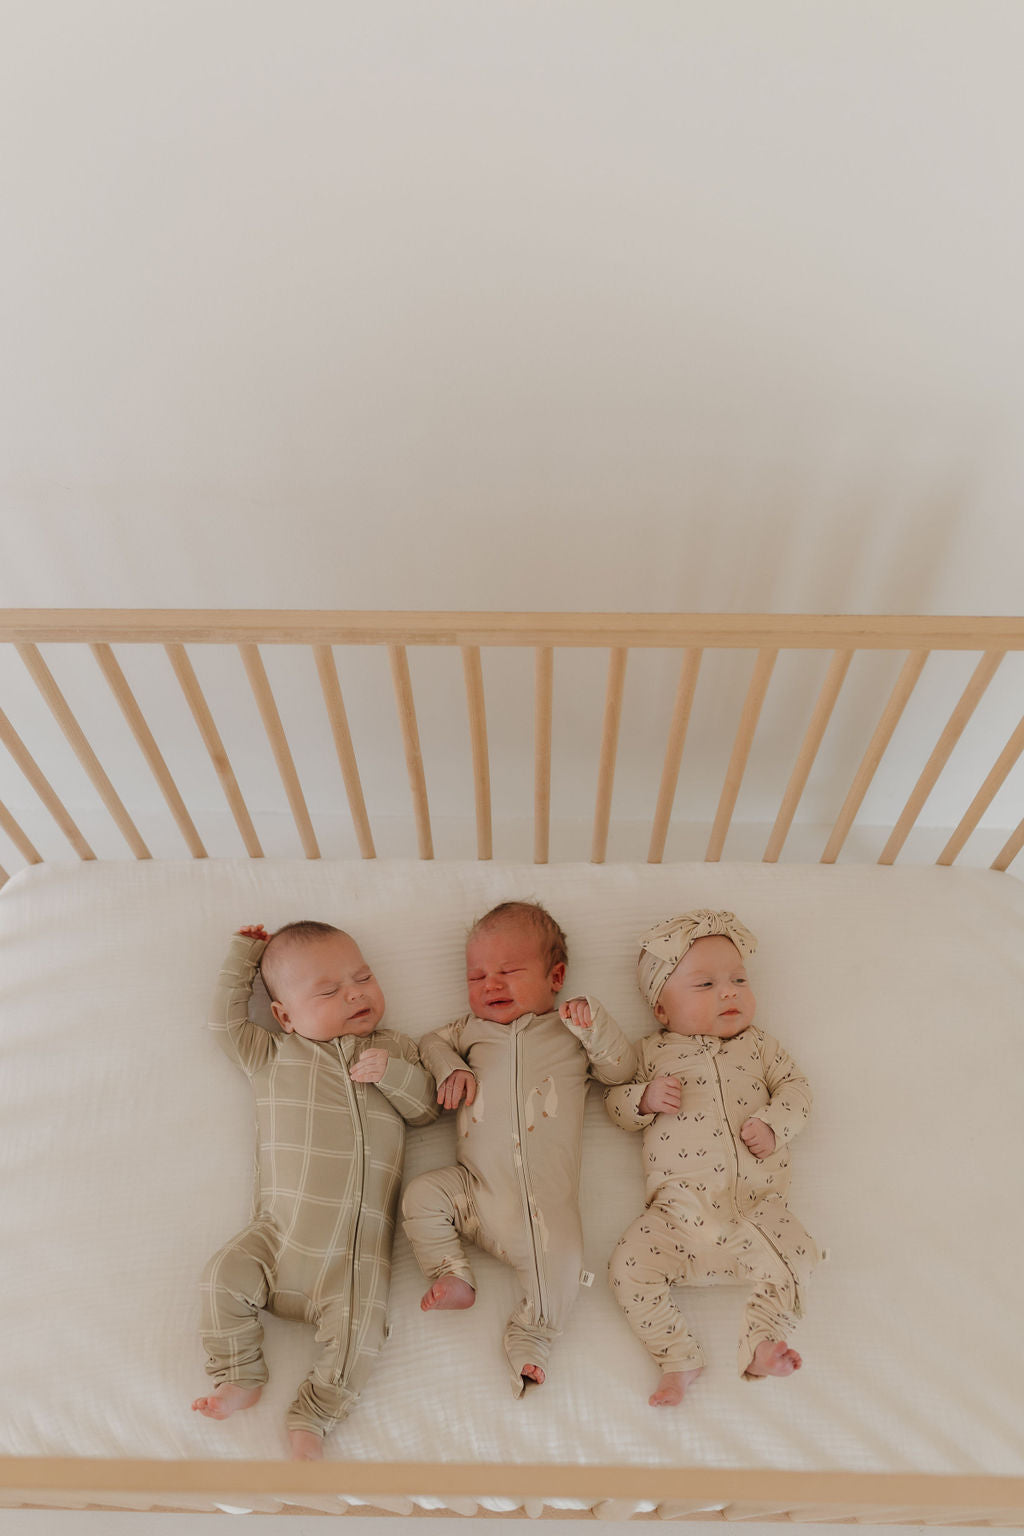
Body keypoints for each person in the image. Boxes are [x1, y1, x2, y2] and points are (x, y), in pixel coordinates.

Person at [191, 921, 437, 1459]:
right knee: (220, 1279)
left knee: (360, 1338)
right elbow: (223, 1023)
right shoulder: (273, 1054)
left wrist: (393, 1074)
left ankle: (316, 1414)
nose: (355, 993)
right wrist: (245, 954)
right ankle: (240, 1373)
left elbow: (426, 1110)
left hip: (354, 1257)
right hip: (276, 1239)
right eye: (328, 991)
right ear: (285, 1016)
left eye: (363, 978)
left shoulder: (396, 1047)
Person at [401, 900, 637, 1394]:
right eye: (477, 976)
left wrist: (596, 1027)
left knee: (567, 1266)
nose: (490, 984)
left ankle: (531, 1337)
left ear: (556, 977)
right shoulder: (467, 1032)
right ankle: (452, 1274)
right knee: (422, 1194)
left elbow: (620, 1072)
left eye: (508, 971)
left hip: (545, 1212)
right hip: (474, 1191)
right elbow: (428, 1043)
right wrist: (453, 1069)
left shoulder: (571, 1032)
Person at [606, 909, 821, 1406]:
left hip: (755, 1211)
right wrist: (643, 1099)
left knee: (801, 1254)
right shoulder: (651, 1053)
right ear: (661, 1010)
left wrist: (774, 1123)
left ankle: (762, 1339)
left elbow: (798, 1090)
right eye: (705, 984)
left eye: (738, 979)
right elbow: (613, 1104)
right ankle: (677, 1357)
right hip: (677, 1217)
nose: (729, 991)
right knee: (626, 1265)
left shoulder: (761, 1046)